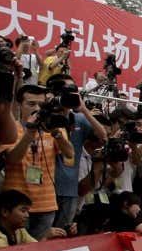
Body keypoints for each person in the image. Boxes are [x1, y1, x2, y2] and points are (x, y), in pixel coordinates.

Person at [0, 84, 74, 240]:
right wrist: (30, 132)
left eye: (40, 104)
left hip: (46, 204)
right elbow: (12, 159)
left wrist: (56, 133)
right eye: (31, 104)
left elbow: (69, 155)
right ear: (19, 104)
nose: (36, 108)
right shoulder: (10, 128)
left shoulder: (53, 126)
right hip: (15, 205)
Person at [46, 74, 108, 230]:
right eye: (65, 91)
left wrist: (84, 109)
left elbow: (103, 137)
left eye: (72, 90)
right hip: (45, 187)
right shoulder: (44, 116)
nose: (69, 95)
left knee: (62, 234)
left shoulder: (79, 119)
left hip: (69, 188)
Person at [0, 189, 65, 247]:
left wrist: (46, 237)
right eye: (23, 211)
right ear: (5, 212)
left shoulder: (19, 230)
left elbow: (34, 249)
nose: (27, 215)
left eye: (27, 211)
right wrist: (45, 237)